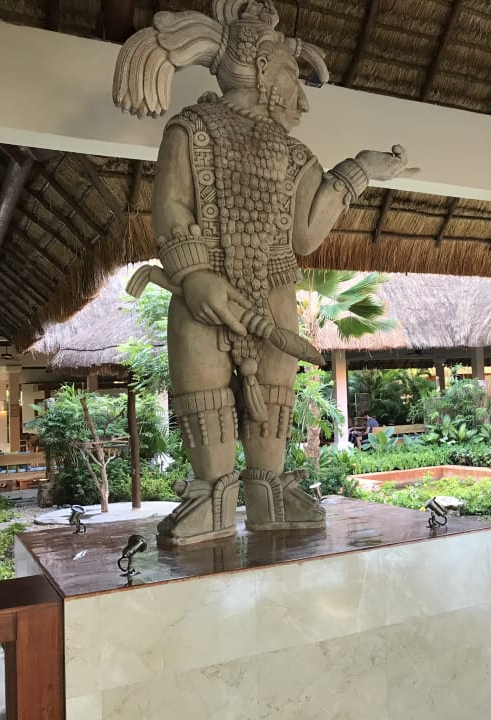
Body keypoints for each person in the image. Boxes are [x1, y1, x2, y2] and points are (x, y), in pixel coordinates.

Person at [113, 0, 417, 545]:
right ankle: (211, 495)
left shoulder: (296, 153)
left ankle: (269, 490)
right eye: (291, 76)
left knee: (273, 396)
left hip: (275, 288)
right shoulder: (192, 129)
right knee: (203, 395)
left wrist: (360, 171)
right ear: (257, 68)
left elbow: (304, 235)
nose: (300, 97)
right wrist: (194, 273)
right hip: (204, 291)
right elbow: (173, 208)